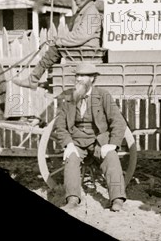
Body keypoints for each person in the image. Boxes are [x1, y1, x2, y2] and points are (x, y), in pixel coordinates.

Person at [54, 62, 127, 212]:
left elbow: (118, 121)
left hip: (98, 141)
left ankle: (117, 199)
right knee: (71, 158)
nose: (79, 79)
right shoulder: (69, 97)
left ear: (93, 78)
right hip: (76, 142)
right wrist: (68, 144)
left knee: (111, 156)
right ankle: (73, 199)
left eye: (83, 76)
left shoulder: (103, 95)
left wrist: (112, 144)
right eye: (77, 75)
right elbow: (60, 125)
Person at [14, 0, 102, 89]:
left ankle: (35, 79)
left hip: (87, 50)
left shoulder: (91, 13)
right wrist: (59, 39)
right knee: (56, 47)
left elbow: (81, 36)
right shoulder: (82, 13)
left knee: (55, 48)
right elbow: (76, 35)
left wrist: (59, 41)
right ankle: (50, 80)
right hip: (83, 48)